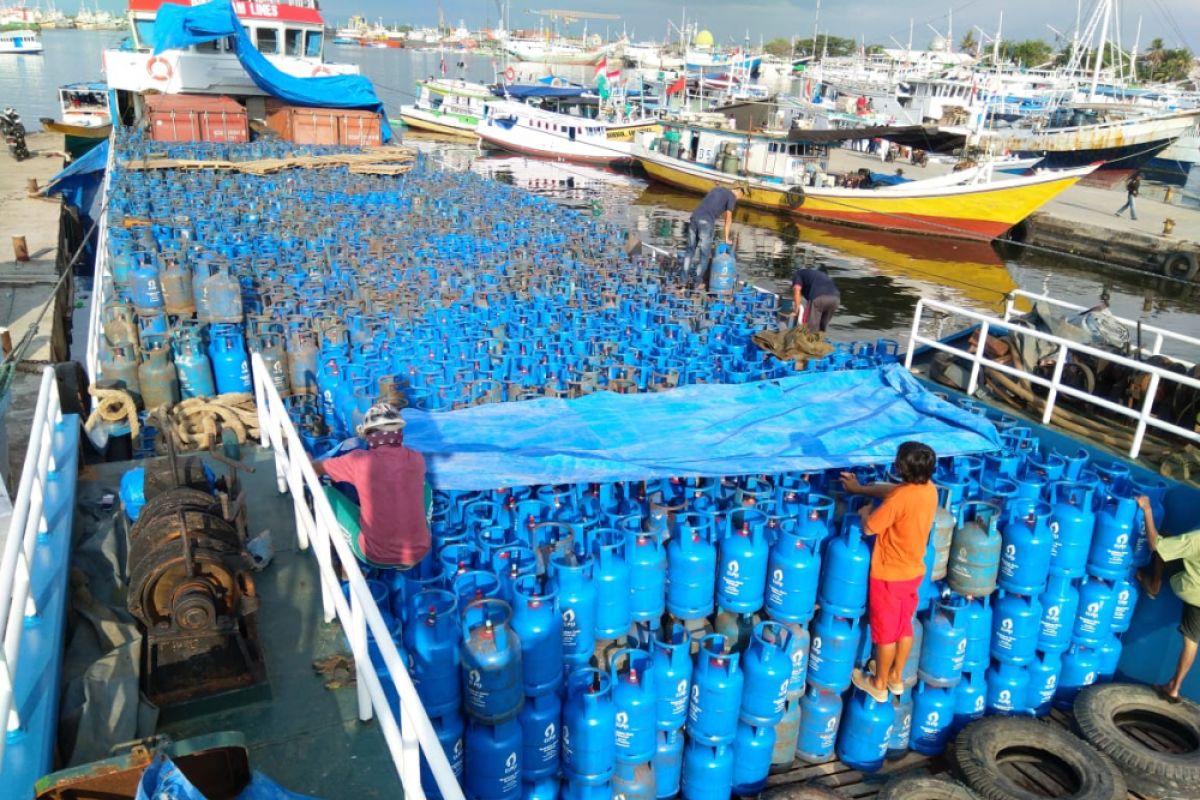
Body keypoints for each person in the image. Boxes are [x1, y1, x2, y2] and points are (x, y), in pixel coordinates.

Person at [840, 442, 938, 703]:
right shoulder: (929, 490)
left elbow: (871, 528)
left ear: (901, 467)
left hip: (889, 575)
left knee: (885, 634)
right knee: (904, 628)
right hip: (913, 571)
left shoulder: (899, 498)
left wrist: (865, 512)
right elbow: (894, 492)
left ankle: (878, 683)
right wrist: (860, 488)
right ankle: (895, 676)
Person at [314, 403, 432, 569]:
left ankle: (341, 565)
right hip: (418, 551)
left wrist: (308, 459)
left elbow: (317, 470)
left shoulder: (359, 460)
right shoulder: (417, 459)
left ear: (369, 434)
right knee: (424, 484)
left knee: (324, 492)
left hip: (374, 554)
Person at [1135, 495, 1199, 702]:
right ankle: (1174, 687)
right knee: (1192, 639)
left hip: (1193, 590)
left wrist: (1146, 509)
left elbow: (1155, 545)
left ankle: (1153, 585)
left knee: (1162, 539)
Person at [682, 185, 743, 288]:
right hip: (706, 222)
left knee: (689, 251)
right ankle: (696, 283)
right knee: (704, 256)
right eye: (741, 196)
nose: (738, 199)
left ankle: (682, 281)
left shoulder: (717, 189)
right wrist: (726, 238)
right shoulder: (732, 196)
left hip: (694, 217)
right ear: (739, 192)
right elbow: (728, 218)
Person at [791, 266, 840, 332]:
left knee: (810, 327)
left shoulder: (798, 273)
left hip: (818, 297)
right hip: (835, 299)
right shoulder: (819, 275)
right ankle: (819, 339)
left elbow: (797, 289)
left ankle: (808, 340)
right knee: (822, 327)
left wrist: (796, 310)